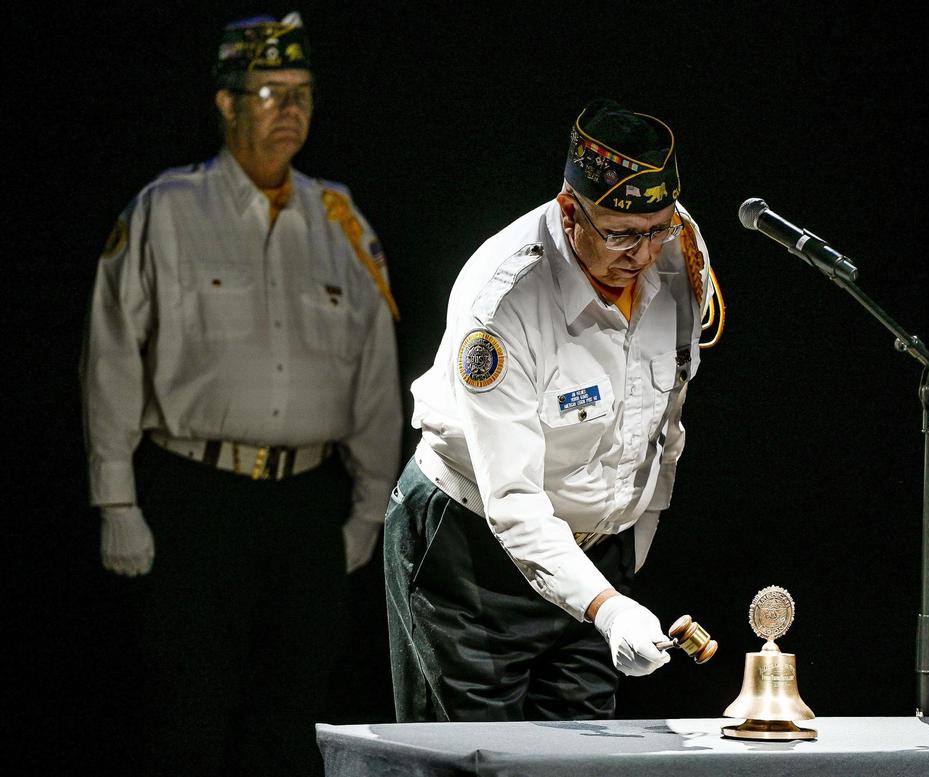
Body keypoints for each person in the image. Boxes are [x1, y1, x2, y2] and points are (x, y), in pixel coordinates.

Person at [80, 12, 401, 776]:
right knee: (186, 721)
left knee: (292, 729)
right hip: (197, 499)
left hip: (305, 505)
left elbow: (376, 371)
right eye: (269, 90)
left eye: (302, 92)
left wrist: (369, 503)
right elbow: (112, 354)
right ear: (226, 103)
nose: (291, 108)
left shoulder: (340, 217)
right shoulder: (167, 208)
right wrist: (115, 500)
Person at [384, 98, 714, 721]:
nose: (642, 255)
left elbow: (664, 419)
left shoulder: (676, 252)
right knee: (469, 762)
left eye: (657, 227)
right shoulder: (505, 301)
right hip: (471, 554)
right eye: (619, 233)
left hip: (594, 557)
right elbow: (512, 501)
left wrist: (627, 553)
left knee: (582, 763)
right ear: (570, 211)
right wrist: (607, 607)